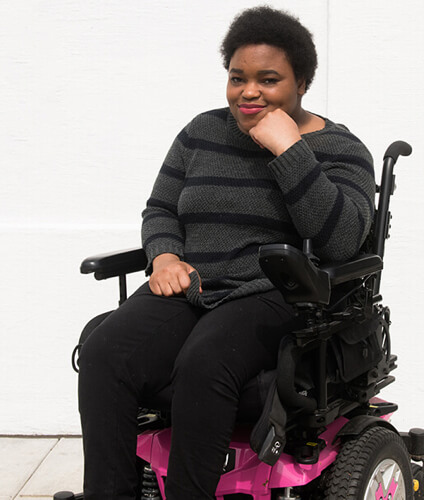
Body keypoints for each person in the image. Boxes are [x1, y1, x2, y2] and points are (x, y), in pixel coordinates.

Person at [78, 5, 375, 500]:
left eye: (269, 79)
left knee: (206, 361)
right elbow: (160, 209)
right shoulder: (201, 132)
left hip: (276, 293)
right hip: (191, 281)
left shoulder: (343, 150)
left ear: (302, 82)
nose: (249, 92)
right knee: (106, 352)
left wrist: (290, 151)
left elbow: (341, 241)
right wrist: (165, 256)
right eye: (237, 78)